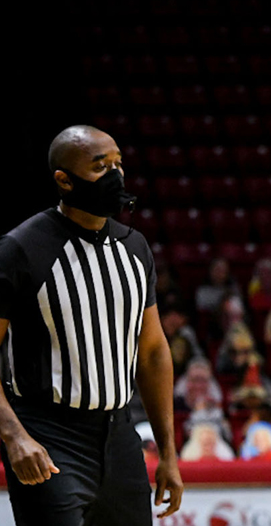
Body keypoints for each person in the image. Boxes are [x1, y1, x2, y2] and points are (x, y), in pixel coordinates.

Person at [0, 125, 183, 524]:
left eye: (118, 164)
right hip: (48, 434)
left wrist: (168, 453)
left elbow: (152, 352)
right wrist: (14, 437)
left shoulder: (135, 247)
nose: (115, 176)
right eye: (100, 167)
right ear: (64, 180)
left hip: (120, 435)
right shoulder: (20, 249)